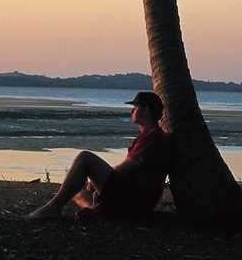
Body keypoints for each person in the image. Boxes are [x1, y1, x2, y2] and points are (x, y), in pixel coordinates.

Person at [26, 91, 170, 220]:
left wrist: (96, 181)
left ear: (145, 110)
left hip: (135, 199)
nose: (132, 111)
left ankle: (53, 207)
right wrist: (94, 183)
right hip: (133, 196)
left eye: (135, 107)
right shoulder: (149, 136)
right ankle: (95, 209)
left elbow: (126, 167)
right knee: (78, 192)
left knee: (85, 157)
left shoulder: (152, 137)